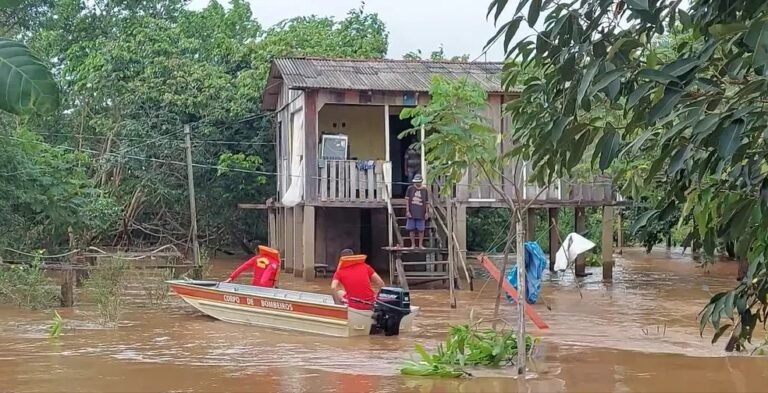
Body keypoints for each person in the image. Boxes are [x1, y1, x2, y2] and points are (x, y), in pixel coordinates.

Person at [405, 174, 429, 249]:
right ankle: (413, 245)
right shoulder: (410, 188)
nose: (417, 183)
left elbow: (427, 202)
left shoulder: (425, 190)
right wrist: (407, 211)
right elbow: (407, 200)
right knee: (411, 229)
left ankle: (420, 245)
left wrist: (427, 212)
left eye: (418, 182)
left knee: (421, 230)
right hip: (412, 211)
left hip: (421, 212)